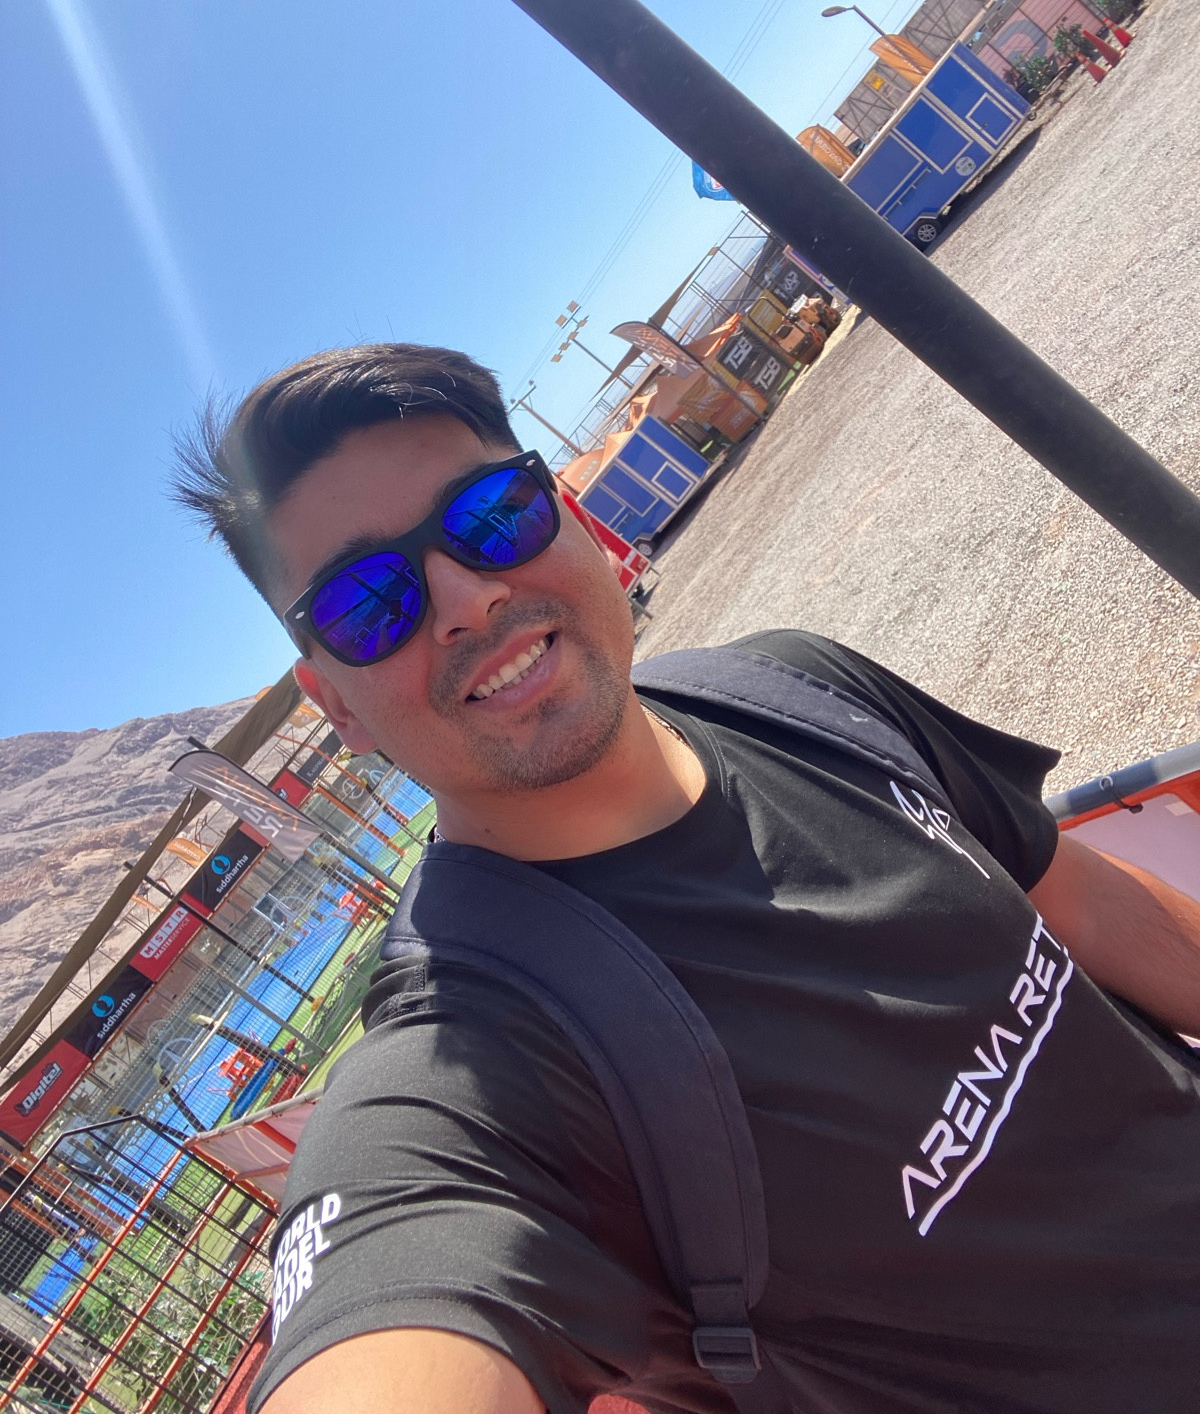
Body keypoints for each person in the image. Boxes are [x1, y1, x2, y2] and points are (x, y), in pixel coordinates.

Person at [174, 342, 1200, 1414]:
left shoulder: (795, 692)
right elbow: (394, 1285)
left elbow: (1084, 902)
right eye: (365, 603)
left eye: (490, 516)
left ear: (567, 511)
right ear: (335, 704)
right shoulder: (480, 1062)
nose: (466, 599)